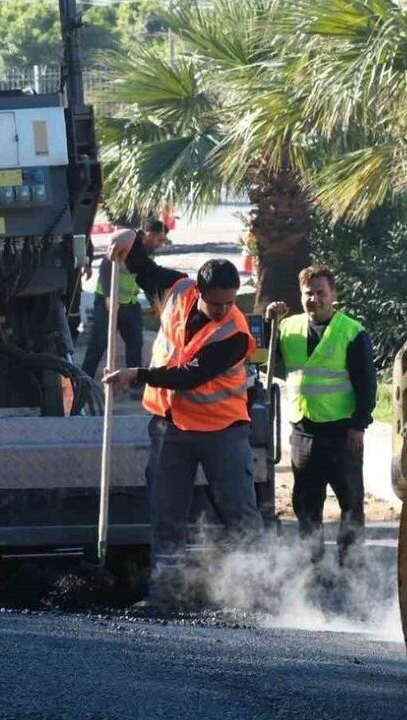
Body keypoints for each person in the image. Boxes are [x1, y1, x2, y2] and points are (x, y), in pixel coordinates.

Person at [102, 229, 264, 608]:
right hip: (169, 427)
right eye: (216, 303)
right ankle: (166, 596)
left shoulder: (234, 334)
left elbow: (190, 374)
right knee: (167, 514)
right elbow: (142, 267)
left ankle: (259, 596)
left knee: (239, 512)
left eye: (230, 302)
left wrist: (136, 375)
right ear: (200, 292)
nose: (223, 310)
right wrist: (130, 237)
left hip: (221, 432)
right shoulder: (178, 289)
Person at [266, 265, 375, 566]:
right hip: (304, 431)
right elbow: (266, 361)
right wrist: (269, 323)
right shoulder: (288, 328)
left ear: (333, 294)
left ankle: (351, 565)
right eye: (308, 293)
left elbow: (366, 381)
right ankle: (310, 564)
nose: (314, 299)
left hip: (343, 433)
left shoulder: (351, 332)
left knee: (350, 502)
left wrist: (359, 425)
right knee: (305, 503)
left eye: (320, 293)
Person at [81, 219, 167, 380]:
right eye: (159, 240)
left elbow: (147, 278)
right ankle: (84, 380)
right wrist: (108, 296)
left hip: (129, 304)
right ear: (149, 235)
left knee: (135, 342)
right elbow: (106, 267)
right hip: (107, 302)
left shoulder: (146, 255)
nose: (160, 244)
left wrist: (154, 302)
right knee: (98, 342)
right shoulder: (127, 243)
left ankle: (135, 381)